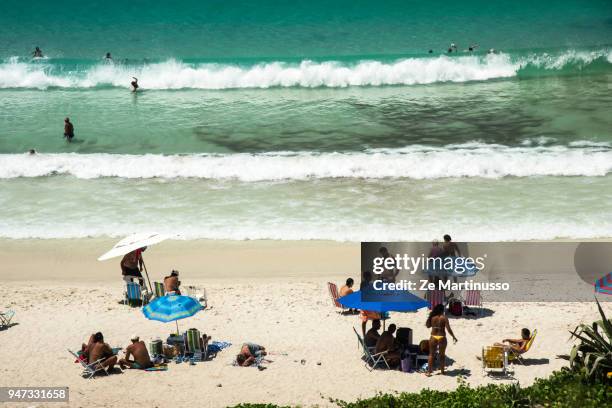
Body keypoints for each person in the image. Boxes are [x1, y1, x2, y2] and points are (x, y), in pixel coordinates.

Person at [425, 304, 457, 376]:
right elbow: (448, 329)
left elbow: (427, 326)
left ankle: (429, 372)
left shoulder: (433, 317)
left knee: (431, 354)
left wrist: (430, 318)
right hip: (442, 337)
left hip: (433, 337)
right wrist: (453, 336)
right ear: (442, 310)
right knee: (442, 355)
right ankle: (442, 371)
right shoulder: (444, 318)